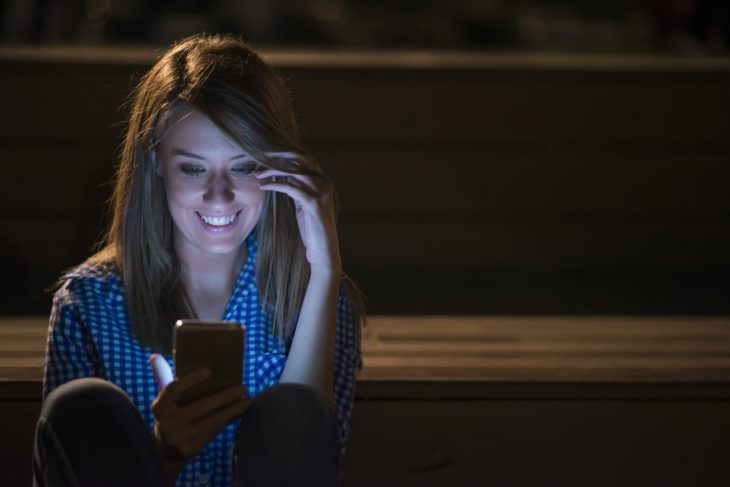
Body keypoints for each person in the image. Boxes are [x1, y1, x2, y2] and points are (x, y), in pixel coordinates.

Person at [33, 33, 363, 487]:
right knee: (81, 403)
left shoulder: (319, 298)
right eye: (193, 167)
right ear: (156, 161)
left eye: (243, 166)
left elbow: (310, 454)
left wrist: (324, 271)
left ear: (278, 165)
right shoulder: (88, 303)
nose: (219, 195)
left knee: (295, 409)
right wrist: (162, 456)